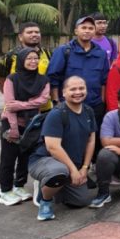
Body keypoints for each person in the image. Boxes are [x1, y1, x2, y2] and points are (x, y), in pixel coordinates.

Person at [29, 76, 97, 221]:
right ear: (64, 92)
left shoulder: (88, 111)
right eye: (73, 89)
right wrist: (73, 170)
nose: (78, 92)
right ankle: (45, 200)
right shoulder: (57, 114)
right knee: (59, 172)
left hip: (70, 164)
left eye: (81, 88)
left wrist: (84, 168)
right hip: (45, 160)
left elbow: (91, 140)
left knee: (81, 200)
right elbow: (53, 147)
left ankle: (53, 185)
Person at [46, 15, 110, 158]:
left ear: (94, 31)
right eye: (83, 28)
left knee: (93, 139)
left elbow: (104, 80)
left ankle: (90, 166)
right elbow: (53, 78)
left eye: (90, 28)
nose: (87, 31)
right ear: (76, 31)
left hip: (94, 105)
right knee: (70, 141)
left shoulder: (100, 53)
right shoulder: (64, 51)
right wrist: (56, 101)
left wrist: (102, 102)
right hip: (69, 106)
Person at [0, 48, 50, 206]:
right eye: (29, 59)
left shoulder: (43, 80)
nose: (33, 61)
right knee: (8, 158)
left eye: (36, 58)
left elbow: (43, 100)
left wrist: (21, 105)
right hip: (11, 122)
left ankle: (19, 185)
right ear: (21, 61)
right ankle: (5, 191)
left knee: (25, 157)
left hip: (31, 124)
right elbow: (9, 106)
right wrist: (13, 129)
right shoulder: (12, 79)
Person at [0, 21, 50, 94]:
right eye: (29, 32)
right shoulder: (10, 56)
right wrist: (11, 96)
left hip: (44, 100)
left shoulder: (48, 53)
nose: (34, 34)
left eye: (37, 32)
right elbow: (0, 79)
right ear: (20, 37)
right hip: (18, 100)